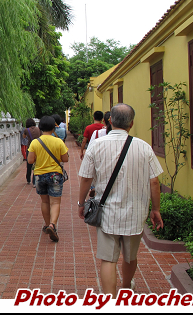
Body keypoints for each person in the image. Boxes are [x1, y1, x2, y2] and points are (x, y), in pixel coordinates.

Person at [77, 103, 164, 297]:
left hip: (107, 213)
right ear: (131, 123)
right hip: (136, 213)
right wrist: (155, 209)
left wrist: (81, 203)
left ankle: (109, 300)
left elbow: (85, 178)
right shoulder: (144, 147)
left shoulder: (96, 145)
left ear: (110, 121)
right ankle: (126, 289)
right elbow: (155, 182)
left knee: (108, 259)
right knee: (130, 256)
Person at [28, 116, 69, 242]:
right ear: (53, 128)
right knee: (55, 202)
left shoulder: (35, 142)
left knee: (45, 202)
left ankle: (46, 225)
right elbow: (65, 159)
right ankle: (53, 224)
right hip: (55, 175)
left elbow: (30, 160)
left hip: (39, 175)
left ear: (40, 128)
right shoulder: (58, 142)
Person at [23, 118, 41, 186]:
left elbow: (24, 137)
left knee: (29, 165)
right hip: (38, 148)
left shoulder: (26, 130)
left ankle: (28, 179)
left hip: (30, 148)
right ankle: (34, 182)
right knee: (36, 164)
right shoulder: (38, 129)